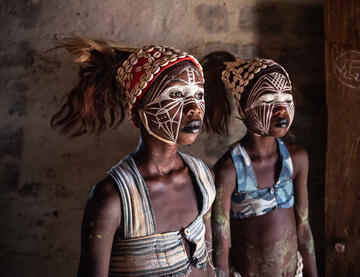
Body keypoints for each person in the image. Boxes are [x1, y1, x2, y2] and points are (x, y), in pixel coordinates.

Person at [51, 37, 216, 277]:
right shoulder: (112, 198)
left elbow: (208, 260)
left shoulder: (203, 177)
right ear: (140, 110)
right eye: (177, 94)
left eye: (198, 94)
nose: (194, 107)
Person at [202, 52, 318, 277]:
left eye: (286, 99)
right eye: (268, 101)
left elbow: (303, 227)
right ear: (245, 109)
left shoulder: (297, 159)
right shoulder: (229, 170)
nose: (281, 110)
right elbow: (221, 245)